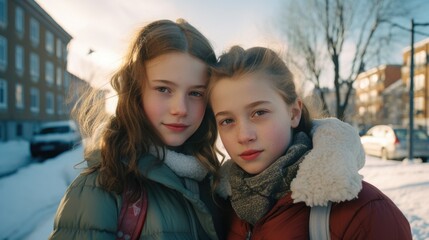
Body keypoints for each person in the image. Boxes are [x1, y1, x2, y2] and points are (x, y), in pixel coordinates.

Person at [209, 46, 412, 239]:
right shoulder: (220, 207)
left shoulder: (366, 214)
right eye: (227, 121)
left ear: (294, 113)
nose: (244, 136)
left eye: (259, 113)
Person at [49, 19, 226, 240]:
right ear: (136, 91)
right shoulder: (101, 189)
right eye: (163, 89)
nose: (180, 109)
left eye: (196, 93)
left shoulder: (218, 184)